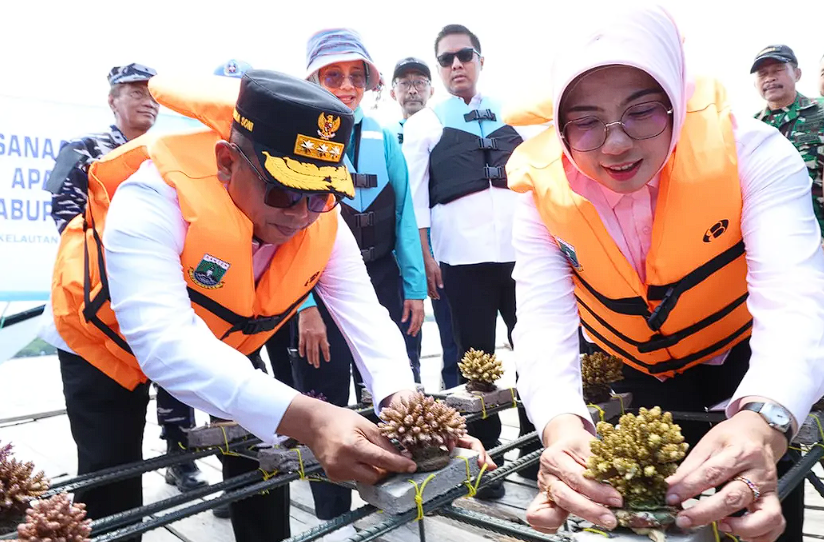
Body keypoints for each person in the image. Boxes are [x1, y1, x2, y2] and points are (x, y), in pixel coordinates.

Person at [41, 69, 492, 542]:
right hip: (102, 336)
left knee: (260, 451)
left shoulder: (322, 220)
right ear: (227, 163)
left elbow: (366, 316)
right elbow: (165, 343)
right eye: (282, 191)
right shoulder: (152, 197)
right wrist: (313, 417)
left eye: (321, 194)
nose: (300, 214)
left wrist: (405, 404)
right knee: (111, 473)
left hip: (225, 331)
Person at [505, 5, 824, 542]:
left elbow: (799, 297)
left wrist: (767, 416)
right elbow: (539, 321)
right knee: (646, 517)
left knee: (762, 513)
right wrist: (560, 423)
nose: (616, 144)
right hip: (633, 373)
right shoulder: (539, 197)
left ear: (676, 98)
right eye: (584, 120)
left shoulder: (757, 154)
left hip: (743, 360)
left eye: (643, 110)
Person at [43, 63, 208, 493]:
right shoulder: (82, 150)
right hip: (101, 309)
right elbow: (67, 221)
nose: (146, 100)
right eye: (134, 92)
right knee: (108, 446)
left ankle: (179, 458)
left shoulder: (170, 153)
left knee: (180, 385)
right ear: (112, 99)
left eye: (151, 93)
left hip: (168, 296)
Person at [292, 28, 427, 537]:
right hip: (314, 288)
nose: (345, 86)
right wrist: (304, 306)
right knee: (321, 396)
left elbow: (406, 217)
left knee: (395, 388)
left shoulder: (386, 139)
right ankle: (330, 514)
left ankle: (398, 487)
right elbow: (285, 232)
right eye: (333, 75)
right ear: (314, 80)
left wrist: (414, 287)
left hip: (383, 277)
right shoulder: (295, 139)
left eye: (355, 75)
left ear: (369, 82)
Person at [402, 24, 535, 497]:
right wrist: (426, 257)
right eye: (446, 59)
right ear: (439, 69)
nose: (456, 65)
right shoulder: (423, 124)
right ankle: (483, 458)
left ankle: (535, 450)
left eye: (465, 55)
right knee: (473, 364)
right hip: (460, 261)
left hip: (522, 258)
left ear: (480, 59)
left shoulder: (516, 115)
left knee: (534, 352)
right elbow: (413, 201)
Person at [390, 56, 460, 388]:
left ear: (431, 90)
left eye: (420, 82)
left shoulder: (447, 132)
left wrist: (430, 253)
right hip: (399, 259)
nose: (413, 89)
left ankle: (456, 413)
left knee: (454, 337)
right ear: (392, 92)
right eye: (405, 83)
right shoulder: (388, 139)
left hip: (443, 252)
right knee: (404, 342)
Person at [752, 45, 824, 235]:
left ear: (797, 74)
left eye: (778, 70)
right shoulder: (750, 128)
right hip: (773, 237)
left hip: (818, 231)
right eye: (762, 74)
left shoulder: (821, 111)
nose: (769, 78)